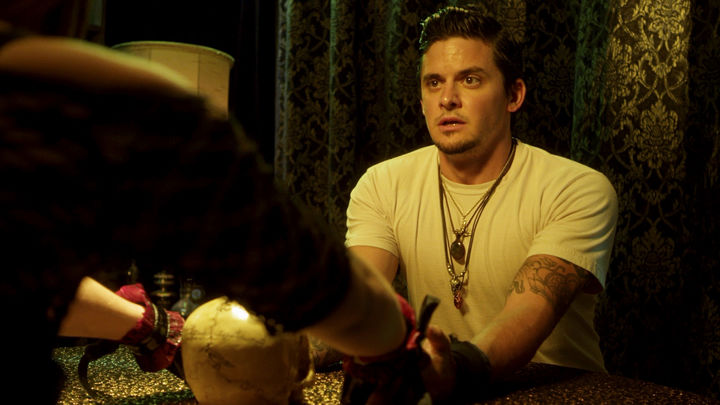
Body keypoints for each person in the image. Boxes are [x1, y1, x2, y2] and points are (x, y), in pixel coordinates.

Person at [0, 1, 408, 402]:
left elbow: (34, 274)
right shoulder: (90, 96)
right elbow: (310, 281)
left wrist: (152, 326)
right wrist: (397, 343)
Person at [345, 5, 618, 402]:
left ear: (513, 95)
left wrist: (453, 369)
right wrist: (284, 343)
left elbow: (527, 309)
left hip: (562, 394)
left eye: (470, 80)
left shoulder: (576, 188)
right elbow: (356, 298)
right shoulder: (382, 184)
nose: (447, 99)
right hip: (444, 391)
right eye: (433, 83)